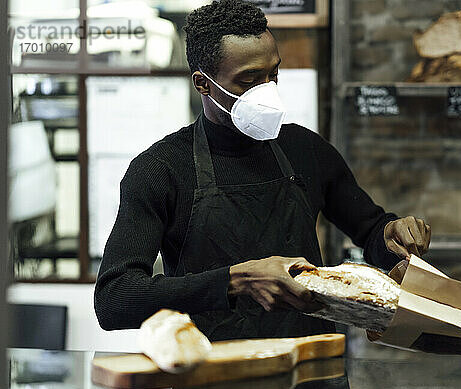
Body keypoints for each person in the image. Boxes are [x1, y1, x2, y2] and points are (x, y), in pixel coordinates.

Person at [94, 0, 431, 341]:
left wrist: (391, 236)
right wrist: (236, 281)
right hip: (215, 379)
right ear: (203, 84)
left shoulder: (304, 149)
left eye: (273, 75)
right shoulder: (160, 170)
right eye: (249, 80)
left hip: (313, 376)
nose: (266, 91)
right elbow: (114, 299)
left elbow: (370, 230)